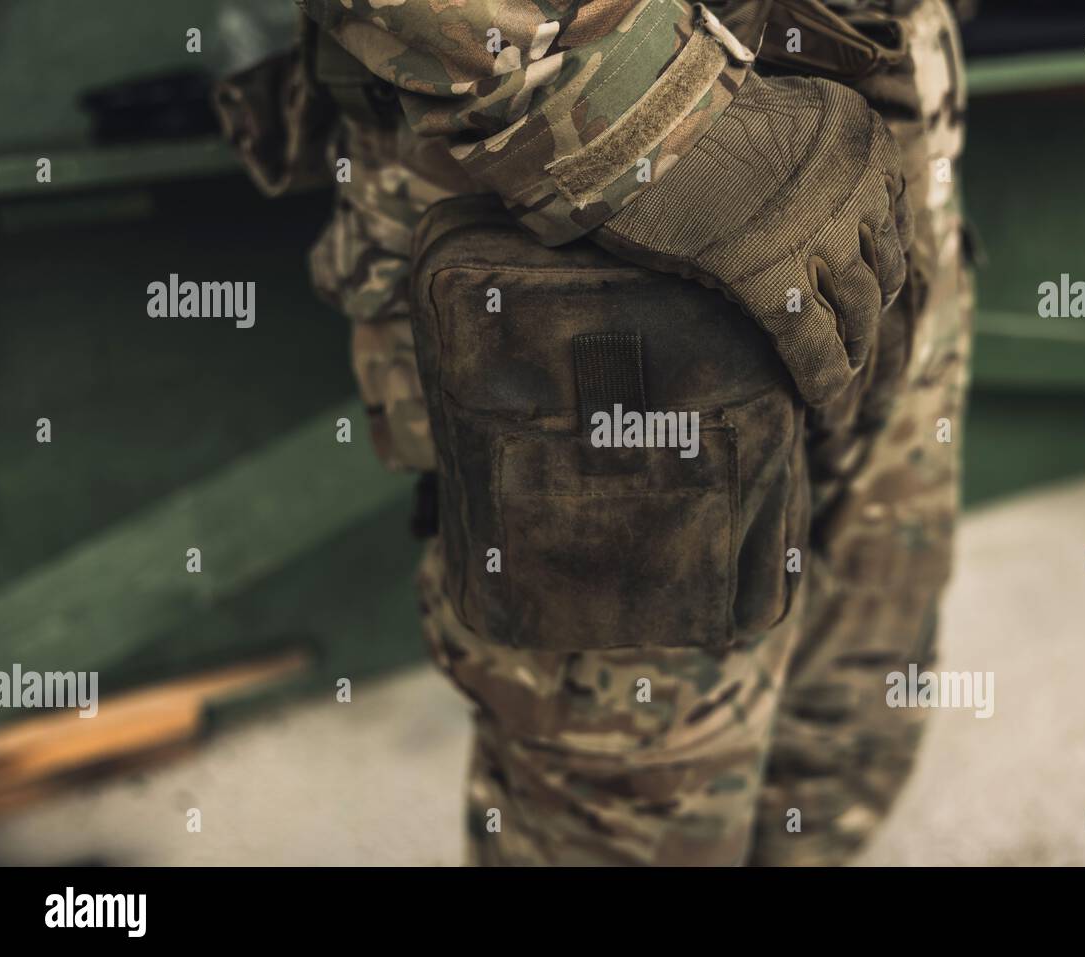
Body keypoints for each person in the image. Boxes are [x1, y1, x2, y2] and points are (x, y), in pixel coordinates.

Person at [215, 0, 972, 865]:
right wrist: (649, 108)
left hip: (879, 148)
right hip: (597, 208)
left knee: (846, 708)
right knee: (633, 802)